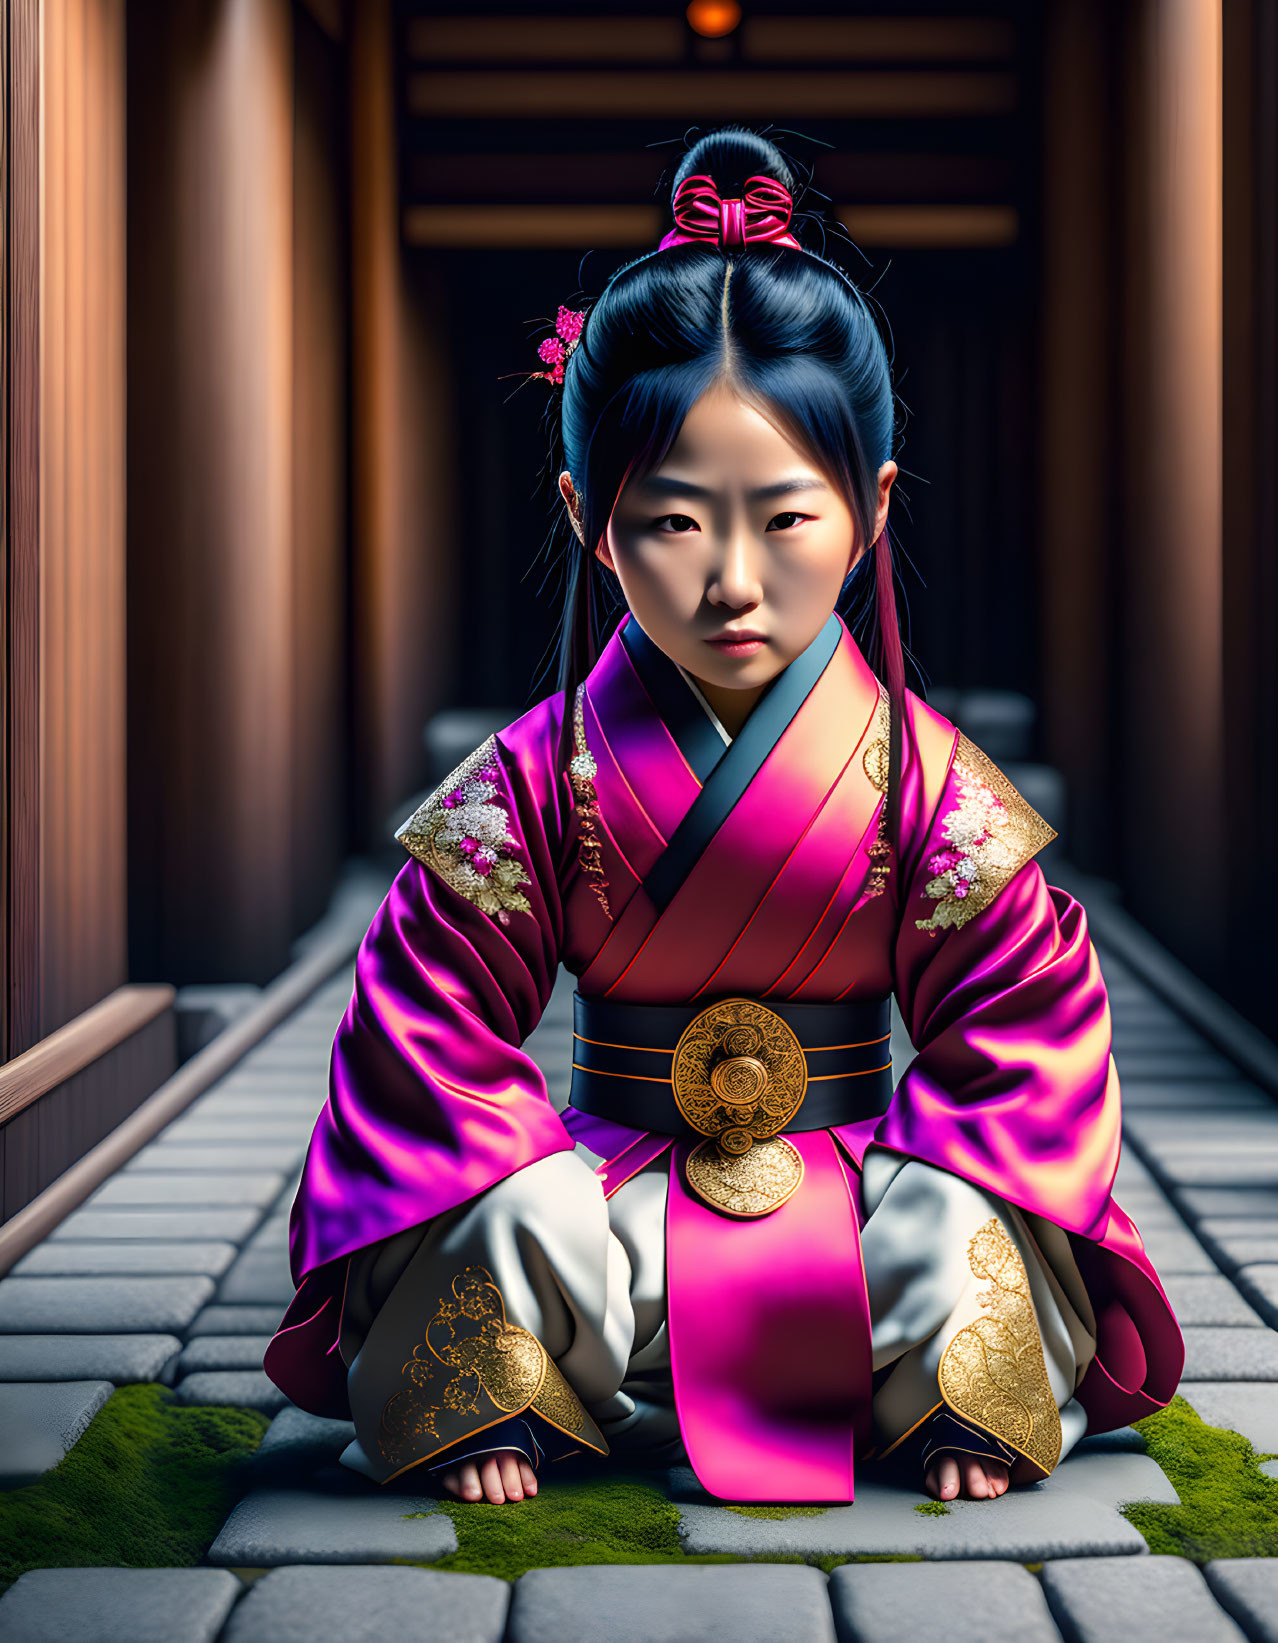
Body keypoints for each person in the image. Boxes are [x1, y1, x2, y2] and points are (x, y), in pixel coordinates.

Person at [264, 128, 1184, 1510]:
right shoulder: (533, 786)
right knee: (507, 1215)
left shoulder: (926, 790)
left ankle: (945, 1398)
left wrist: (929, 1177)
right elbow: (420, 1040)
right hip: (610, 1209)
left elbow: (1025, 1046)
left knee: (961, 1217)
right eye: (676, 524)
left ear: (869, 510)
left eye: (786, 518)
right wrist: (523, 1173)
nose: (733, 582)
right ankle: (507, 1394)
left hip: (863, 1198)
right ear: (590, 516)